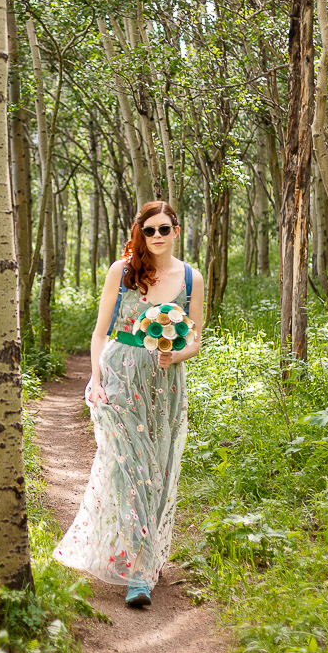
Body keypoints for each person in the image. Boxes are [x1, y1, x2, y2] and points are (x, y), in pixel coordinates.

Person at [53, 200, 205, 608]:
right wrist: (95, 379)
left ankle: (142, 557)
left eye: (164, 229)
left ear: (176, 230)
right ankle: (137, 574)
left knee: (156, 470)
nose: (157, 237)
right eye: (150, 230)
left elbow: (195, 339)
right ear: (141, 232)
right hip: (120, 376)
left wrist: (177, 356)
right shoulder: (122, 272)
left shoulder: (191, 277)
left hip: (164, 384)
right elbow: (100, 333)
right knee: (126, 465)